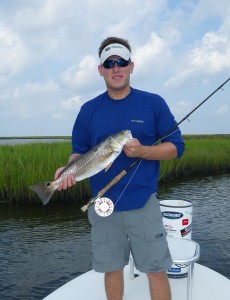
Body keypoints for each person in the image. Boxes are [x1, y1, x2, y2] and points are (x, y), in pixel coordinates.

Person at [54, 36, 185, 300]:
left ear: (131, 66)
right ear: (100, 69)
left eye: (122, 62)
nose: (116, 68)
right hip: (102, 204)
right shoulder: (88, 110)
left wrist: (144, 151)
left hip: (143, 202)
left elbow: (176, 147)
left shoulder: (153, 103)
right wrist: (66, 172)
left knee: (156, 270)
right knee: (111, 269)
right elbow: (78, 152)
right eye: (109, 63)